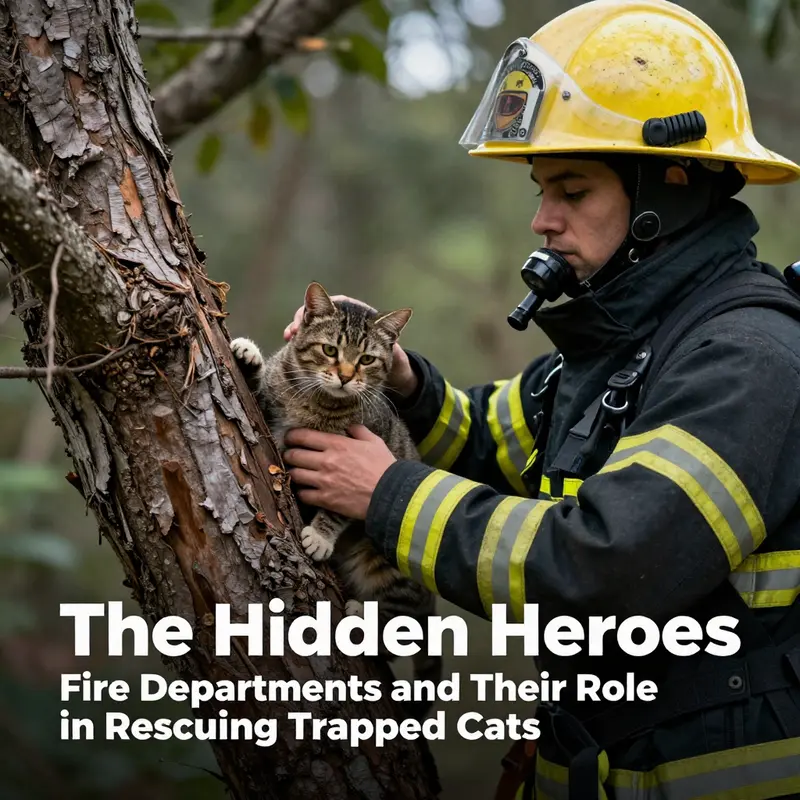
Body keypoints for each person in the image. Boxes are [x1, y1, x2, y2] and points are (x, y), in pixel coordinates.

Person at [281, 1, 800, 797]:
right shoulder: (622, 347)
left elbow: (607, 567)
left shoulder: (746, 359)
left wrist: (386, 495)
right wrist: (399, 376)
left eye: (572, 190)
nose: (542, 220)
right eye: (541, 189)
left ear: (669, 189)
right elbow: (485, 439)